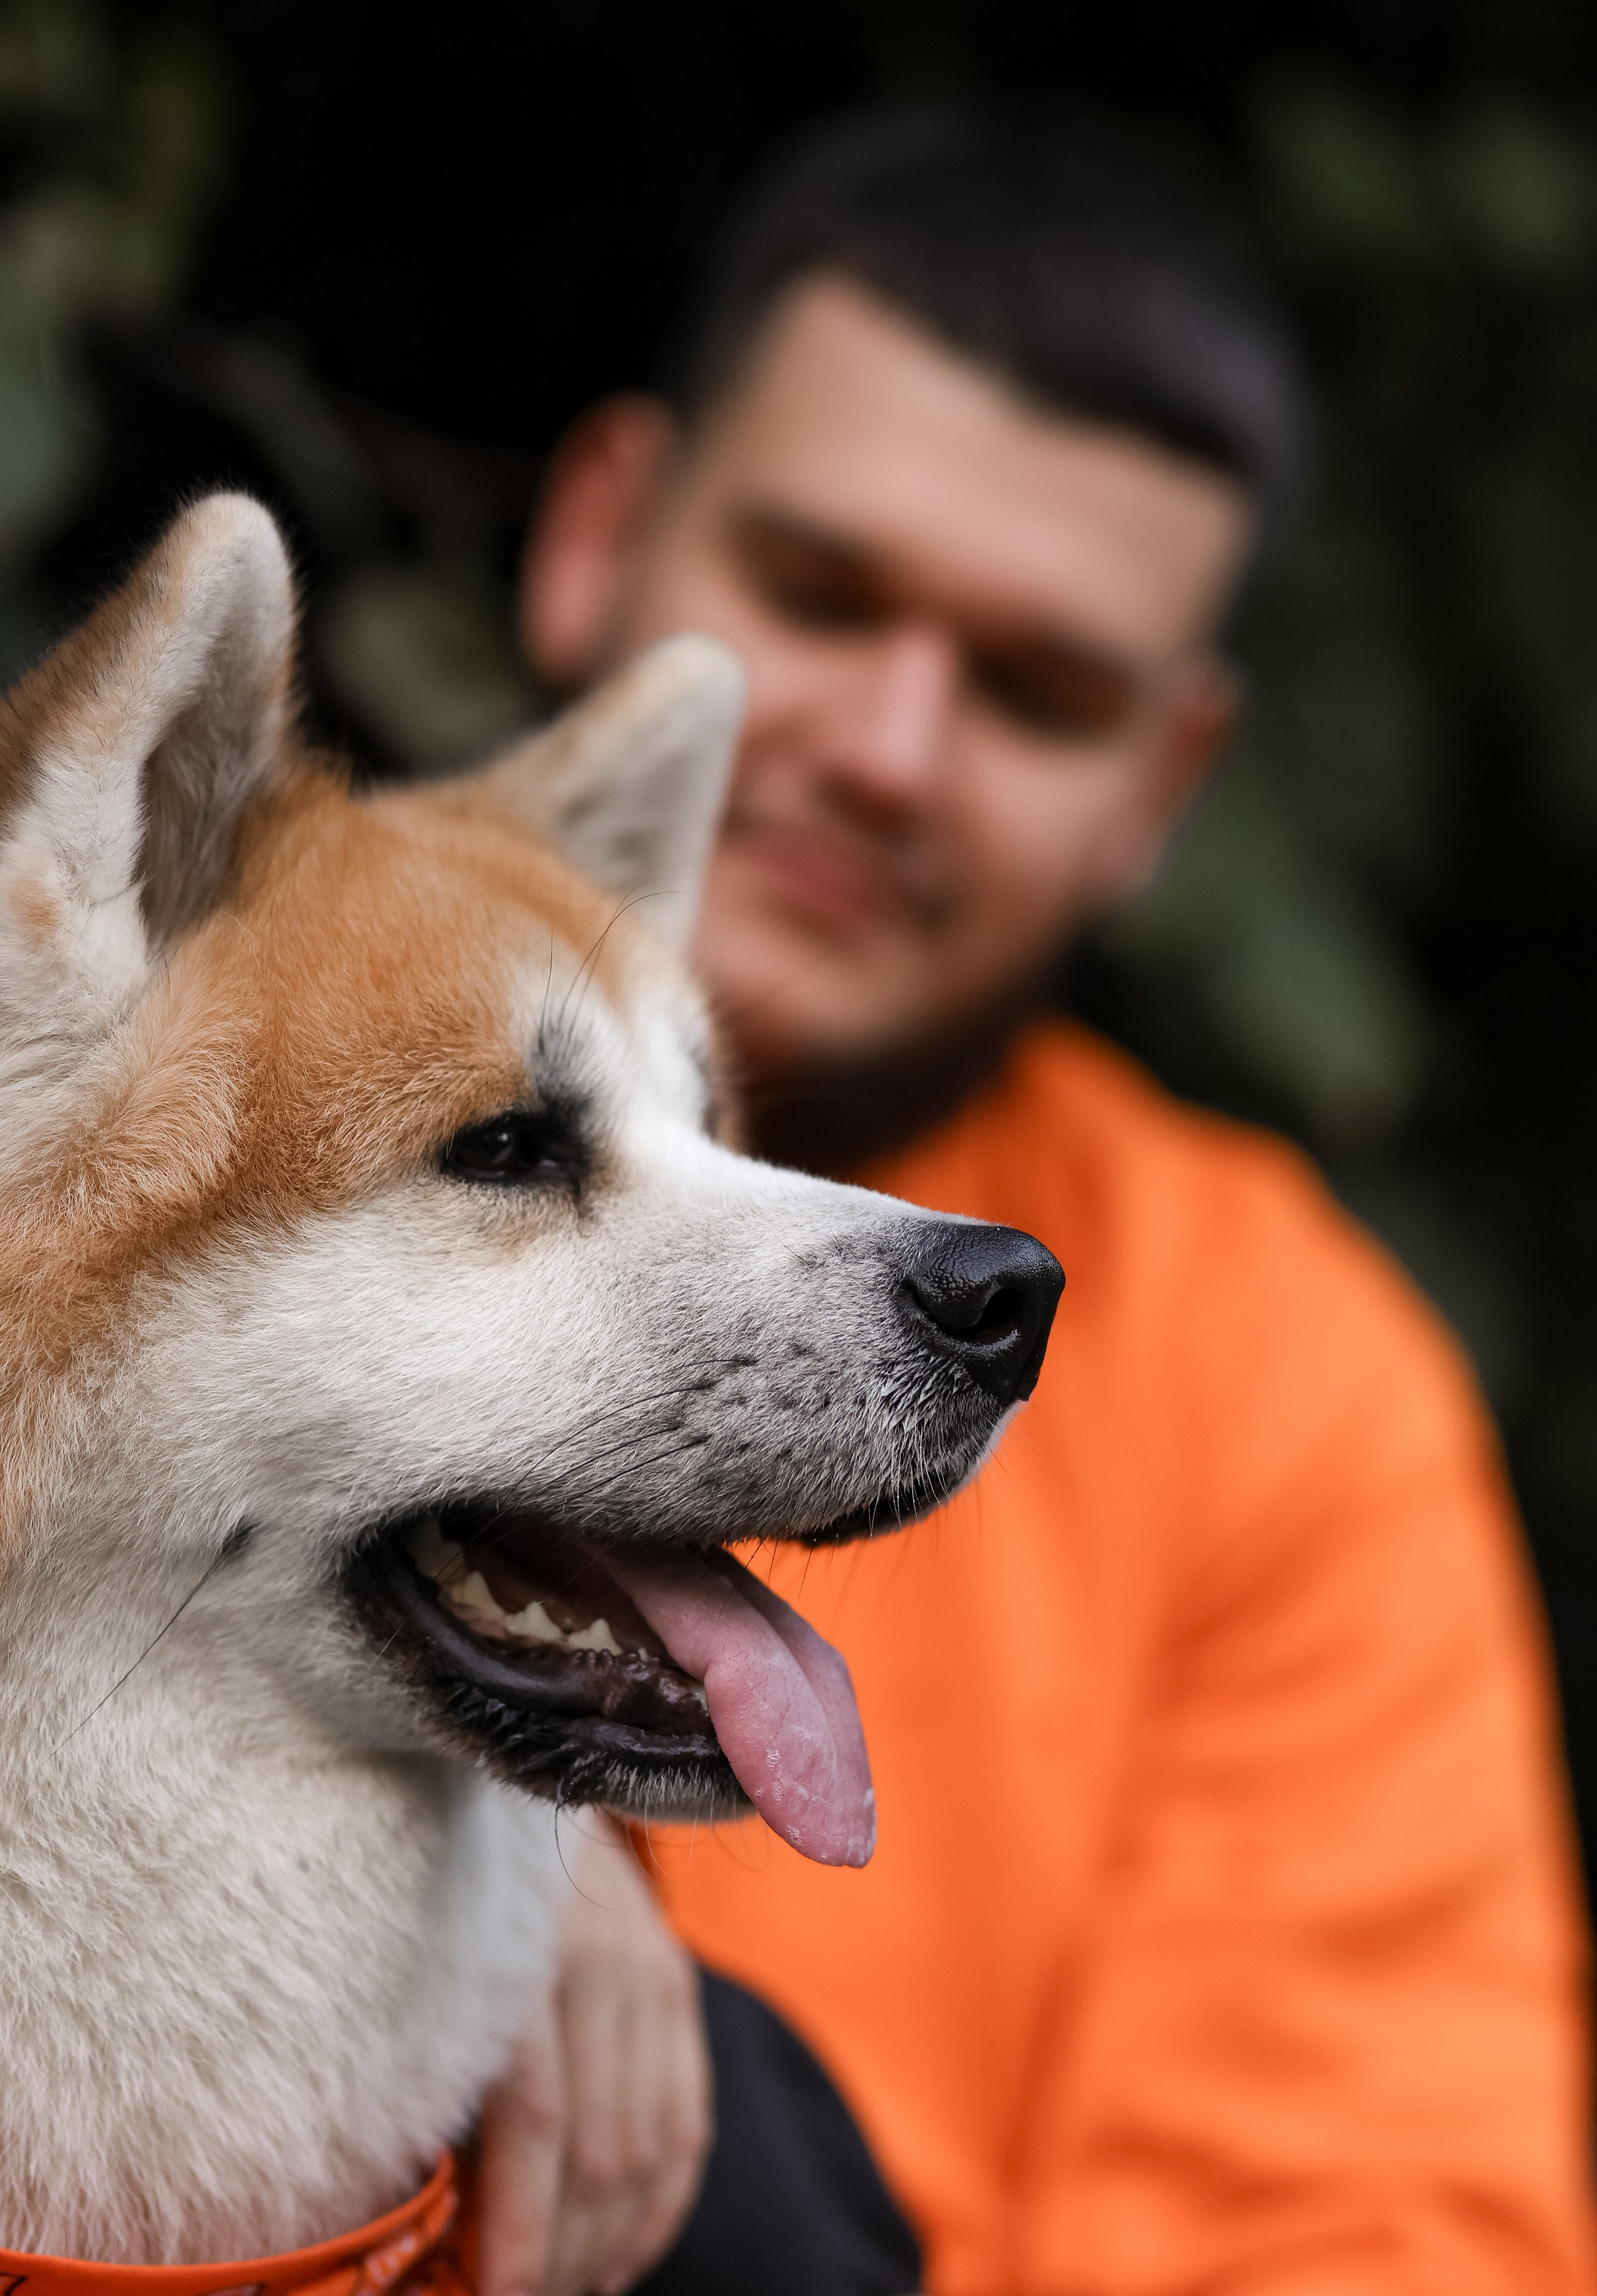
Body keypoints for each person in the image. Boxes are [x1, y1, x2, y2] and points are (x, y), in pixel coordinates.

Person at [475, 111, 1597, 2296]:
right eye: (814, 593)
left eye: (1037, 692)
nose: (892, 747)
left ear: (1165, 787)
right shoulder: (103, 1048)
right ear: (602, 529)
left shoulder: (1278, 1377)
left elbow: (1367, 2241)